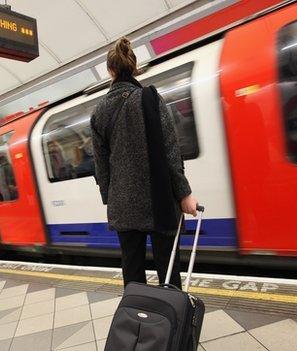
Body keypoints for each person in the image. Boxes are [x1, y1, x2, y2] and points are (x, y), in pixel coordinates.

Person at [90, 37, 199, 288]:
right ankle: (170, 322)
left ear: (110, 71)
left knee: (132, 272)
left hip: (124, 206)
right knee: (168, 271)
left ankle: (137, 322)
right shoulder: (150, 99)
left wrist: (111, 198)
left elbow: (102, 166)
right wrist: (184, 193)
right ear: (134, 67)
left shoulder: (99, 111)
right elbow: (171, 152)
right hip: (158, 199)